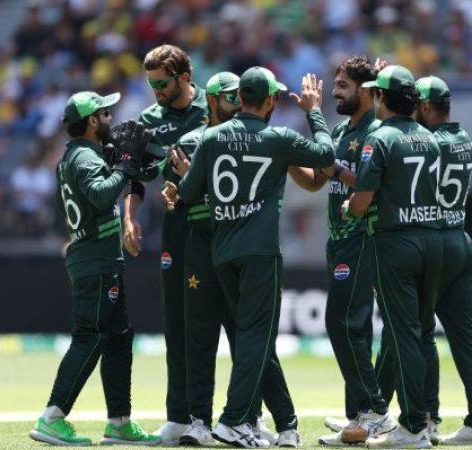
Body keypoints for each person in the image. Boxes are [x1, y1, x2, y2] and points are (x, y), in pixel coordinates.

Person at [168, 67, 334, 448]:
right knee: (257, 338)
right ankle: (233, 420)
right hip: (259, 252)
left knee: (250, 338)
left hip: (222, 252)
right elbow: (326, 154)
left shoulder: (211, 137)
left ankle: (276, 424)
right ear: (272, 100)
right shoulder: (277, 138)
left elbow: (190, 192)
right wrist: (314, 111)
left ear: (240, 97)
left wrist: (184, 174)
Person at [29, 91, 159, 446]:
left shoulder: (74, 156)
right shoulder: (84, 157)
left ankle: (119, 422)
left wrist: (124, 162)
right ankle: (52, 417)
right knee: (92, 336)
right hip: (95, 261)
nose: (110, 118)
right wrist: (122, 166)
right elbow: (102, 195)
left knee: (118, 338)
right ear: (90, 121)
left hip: (97, 258)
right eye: (105, 113)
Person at [121, 44, 230, 445]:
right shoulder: (150, 120)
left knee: (236, 323)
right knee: (179, 321)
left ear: (185, 76)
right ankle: (180, 416)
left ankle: (247, 416)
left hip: (225, 223)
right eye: (151, 83)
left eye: (162, 83)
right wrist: (129, 217)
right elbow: (135, 175)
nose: (156, 91)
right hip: (179, 226)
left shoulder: (216, 106)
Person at [287, 55, 394, 446]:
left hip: (363, 235)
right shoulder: (343, 128)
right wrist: (287, 161)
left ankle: (374, 410)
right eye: (334, 87)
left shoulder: (376, 130)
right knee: (357, 329)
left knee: (340, 323)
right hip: (340, 238)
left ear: (366, 91)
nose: (334, 93)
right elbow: (318, 179)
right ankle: (358, 416)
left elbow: (366, 181)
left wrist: (317, 131)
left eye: (343, 87)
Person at [345, 64, 440, 449]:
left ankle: (414, 426)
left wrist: (348, 207)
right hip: (431, 241)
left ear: (381, 97)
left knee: (402, 338)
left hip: (395, 242)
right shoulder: (430, 139)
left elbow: (362, 200)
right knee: (418, 334)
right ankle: (424, 421)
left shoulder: (379, 138)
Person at [413, 76, 472, 446]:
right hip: (462, 239)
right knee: (467, 340)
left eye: (416, 105)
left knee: (421, 333)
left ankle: (427, 418)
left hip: (434, 243)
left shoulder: (428, 143)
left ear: (427, 107)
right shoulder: (464, 139)